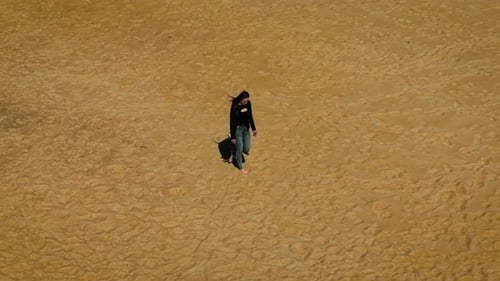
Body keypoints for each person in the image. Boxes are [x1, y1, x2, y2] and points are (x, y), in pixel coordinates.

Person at [229, 90, 257, 174]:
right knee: (240, 148)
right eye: (244, 101)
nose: (246, 102)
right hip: (238, 130)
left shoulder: (248, 104)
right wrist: (233, 136)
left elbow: (250, 115)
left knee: (246, 148)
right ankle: (240, 167)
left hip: (246, 128)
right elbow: (232, 121)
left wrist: (254, 128)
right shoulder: (235, 106)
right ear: (240, 100)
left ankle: (234, 151)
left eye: (247, 100)